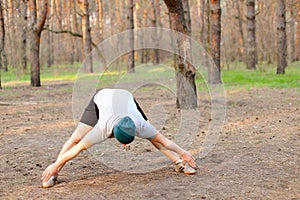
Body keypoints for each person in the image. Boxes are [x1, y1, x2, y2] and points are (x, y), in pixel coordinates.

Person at [42, 89, 197, 188]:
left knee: (154, 138)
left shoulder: (140, 125)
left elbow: (163, 139)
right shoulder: (102, 128)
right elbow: (77, 149)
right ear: (113, 134)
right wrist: (56, 164)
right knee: (75, 139)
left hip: (126, 97)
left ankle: (179, 163)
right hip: (101, 98)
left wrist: (184, 153)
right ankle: (53, 173)